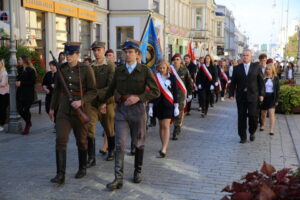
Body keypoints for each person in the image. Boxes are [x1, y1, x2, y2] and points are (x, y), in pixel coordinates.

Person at [100, 40, 160, 190]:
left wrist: (139, 98)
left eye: (130, 52)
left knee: (139, 142)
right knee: (120, 144)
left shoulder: (145, 71)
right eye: (125, 52)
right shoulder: (119, 70)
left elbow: (155, 91)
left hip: (138, 111)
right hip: (121, 111)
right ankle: (117, 178)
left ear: (137, 54)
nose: (127, 54)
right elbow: (111, 88)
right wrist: (103, 103)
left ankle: (137, 172)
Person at [49, 42, 97, 185]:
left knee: (82, 141)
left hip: (81, 110)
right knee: (60, 140)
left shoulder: (86, 69)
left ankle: (82, 167)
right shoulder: (61, 69)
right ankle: (60, 174)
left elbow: (93, 91)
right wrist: (52, 108)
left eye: (70, 54)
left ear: (77, 55)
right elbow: (57, 90)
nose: (67, 57)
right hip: (64, 110)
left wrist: (81, 102)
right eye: (66, 54)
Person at [86, 41, 116, 166]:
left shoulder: (110, 66)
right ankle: (91, 158)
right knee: (89, 128)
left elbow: (111, 87)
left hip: (107, 103)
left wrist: (104, 102)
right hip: (92, 104)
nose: (96, 53)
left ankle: (111, 151)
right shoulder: (90, 67)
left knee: (109, 128)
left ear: (104, 50)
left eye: (98, 50)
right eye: (94, 50)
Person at [229, 49, 265, 143]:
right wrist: (231, 94)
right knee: (241, 116)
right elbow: (233, 83)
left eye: (247, 55)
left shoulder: (256, 67)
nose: (245, 57)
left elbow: (261, 82)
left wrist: (262, 94)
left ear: (251, 56)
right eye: (244, 55)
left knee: (253, 115)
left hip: (253, 96)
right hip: (241, 96)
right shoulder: (237, 68)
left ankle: (252, 131)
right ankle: (242, 136)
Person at [149, 60, 179, 158]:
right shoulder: (155, 77)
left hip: (168, 104)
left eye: (163, 68)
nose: (162, 70)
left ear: (167, 68)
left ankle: (164, 148)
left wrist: (176, 106)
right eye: (160, 68)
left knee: (166, 126)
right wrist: (150, 106)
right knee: (161, 126)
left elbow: (175, 92)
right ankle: (163, 145)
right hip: (158, 104)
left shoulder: (172, 77)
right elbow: (152, 92)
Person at [170, 53, 193, 140]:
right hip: (171, 94)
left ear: (181, 61)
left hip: (181, 95)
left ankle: (176, 128)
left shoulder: (185, 70)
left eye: (177, 59)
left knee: (179, 111)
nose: (176, 61)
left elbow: (189, 83)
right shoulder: (169, 70)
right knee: (172, 111)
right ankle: (175, 124)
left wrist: (190, 93)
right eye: (174, 60)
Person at [16, 56, 36, 135]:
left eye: (19, 59)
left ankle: (27, 126)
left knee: (26, 110)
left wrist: (21, 83)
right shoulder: (20, 69)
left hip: (28, 94)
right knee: (20, 109)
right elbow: (18, 78)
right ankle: (29, 122)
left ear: (24, 61)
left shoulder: (31, 70)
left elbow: (32, 82)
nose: (18, 61)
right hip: (20, 93)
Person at [260, 64, 279, 136]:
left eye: (269, 69)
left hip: (272, 97)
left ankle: (271, 130)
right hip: (264, 97)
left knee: (271, 114)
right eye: (267, 69)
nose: (267, 70)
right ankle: (262, 125)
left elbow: (277, 90)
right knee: (263, 114)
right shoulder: (263, 78)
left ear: (272, 70)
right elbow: (260, 88)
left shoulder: (275, 78)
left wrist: (277, 100)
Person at [0, 59, 9, 132]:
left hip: (4, 94)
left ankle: (2, 125)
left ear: (2, 64)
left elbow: (3, 84)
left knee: (2, 109)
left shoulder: (4, 73)